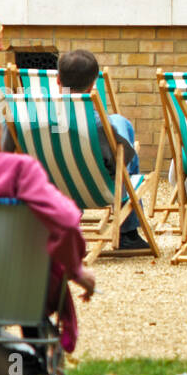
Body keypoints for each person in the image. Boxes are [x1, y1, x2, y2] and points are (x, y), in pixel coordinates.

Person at [0, 151, 97, 375]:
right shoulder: (19, 169)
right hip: (21, 293)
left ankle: (15, 361)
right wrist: (76, 270)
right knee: (30, 306)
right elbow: (65, 222)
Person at [55, 49, 148, 251]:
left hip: (54, 189)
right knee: (120, 127)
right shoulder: (98, 125)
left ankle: (63, 226)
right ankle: (128, 233)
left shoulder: (32, 118)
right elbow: (119, 163)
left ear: (57, 80)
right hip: (99, 190)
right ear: (92, 86)